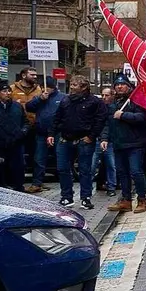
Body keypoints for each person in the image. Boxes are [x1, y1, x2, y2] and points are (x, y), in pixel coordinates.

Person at [50, 74, 108, 209]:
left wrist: (92, 136)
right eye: (71, 84)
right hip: (65, 139)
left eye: (75, 85)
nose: (71, 87)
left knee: (85, 170)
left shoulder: (94, 102)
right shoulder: (65, 101)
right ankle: (66, 196)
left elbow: (100, 120)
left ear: (84, 87)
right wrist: (51, 133)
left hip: (84, 140)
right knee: (63, 168)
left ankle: (86, 197)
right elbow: (57, 118)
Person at [101, 76, 146, 213]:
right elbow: (108, 123)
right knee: (122, 173)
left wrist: (124, 115)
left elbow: (143, 118)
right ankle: (126, 200)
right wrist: (104, 138)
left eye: (123, 84)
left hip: (135, 143)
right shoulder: (112, 104)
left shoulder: (137, 101)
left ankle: (142, 200)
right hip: (119, 143)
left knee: (136, 172)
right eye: (117, 85)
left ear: (129, 87)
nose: (119, 87)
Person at [0, 81, 29, 191]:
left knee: (17, 169)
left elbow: (26, 122)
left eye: (9, 91)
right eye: (4, 91)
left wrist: (23, 131)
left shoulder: (17, 106)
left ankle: (18, 190)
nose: (8, 93)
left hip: (15, 143)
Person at [24, 77, 64, 193]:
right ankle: (37, 183)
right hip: (42, 133)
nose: (45, 90)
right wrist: (40, 99)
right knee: (39, 159)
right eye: (42, 87)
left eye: (47, 88)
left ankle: (65, 181)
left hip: (57, 133)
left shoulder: (62, 98)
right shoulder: (40, 98)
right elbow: (28, 107)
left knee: (61, 158)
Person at [94, 85, 117, 194]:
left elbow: (108, 125)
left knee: (111, 165)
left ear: (112, 96)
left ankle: (111, 187)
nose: (104, 97)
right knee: (92, 165)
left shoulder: (115, 108)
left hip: (110, 140)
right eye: (102, 95)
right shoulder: (99, 108)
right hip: (98, 139)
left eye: (106, 95)